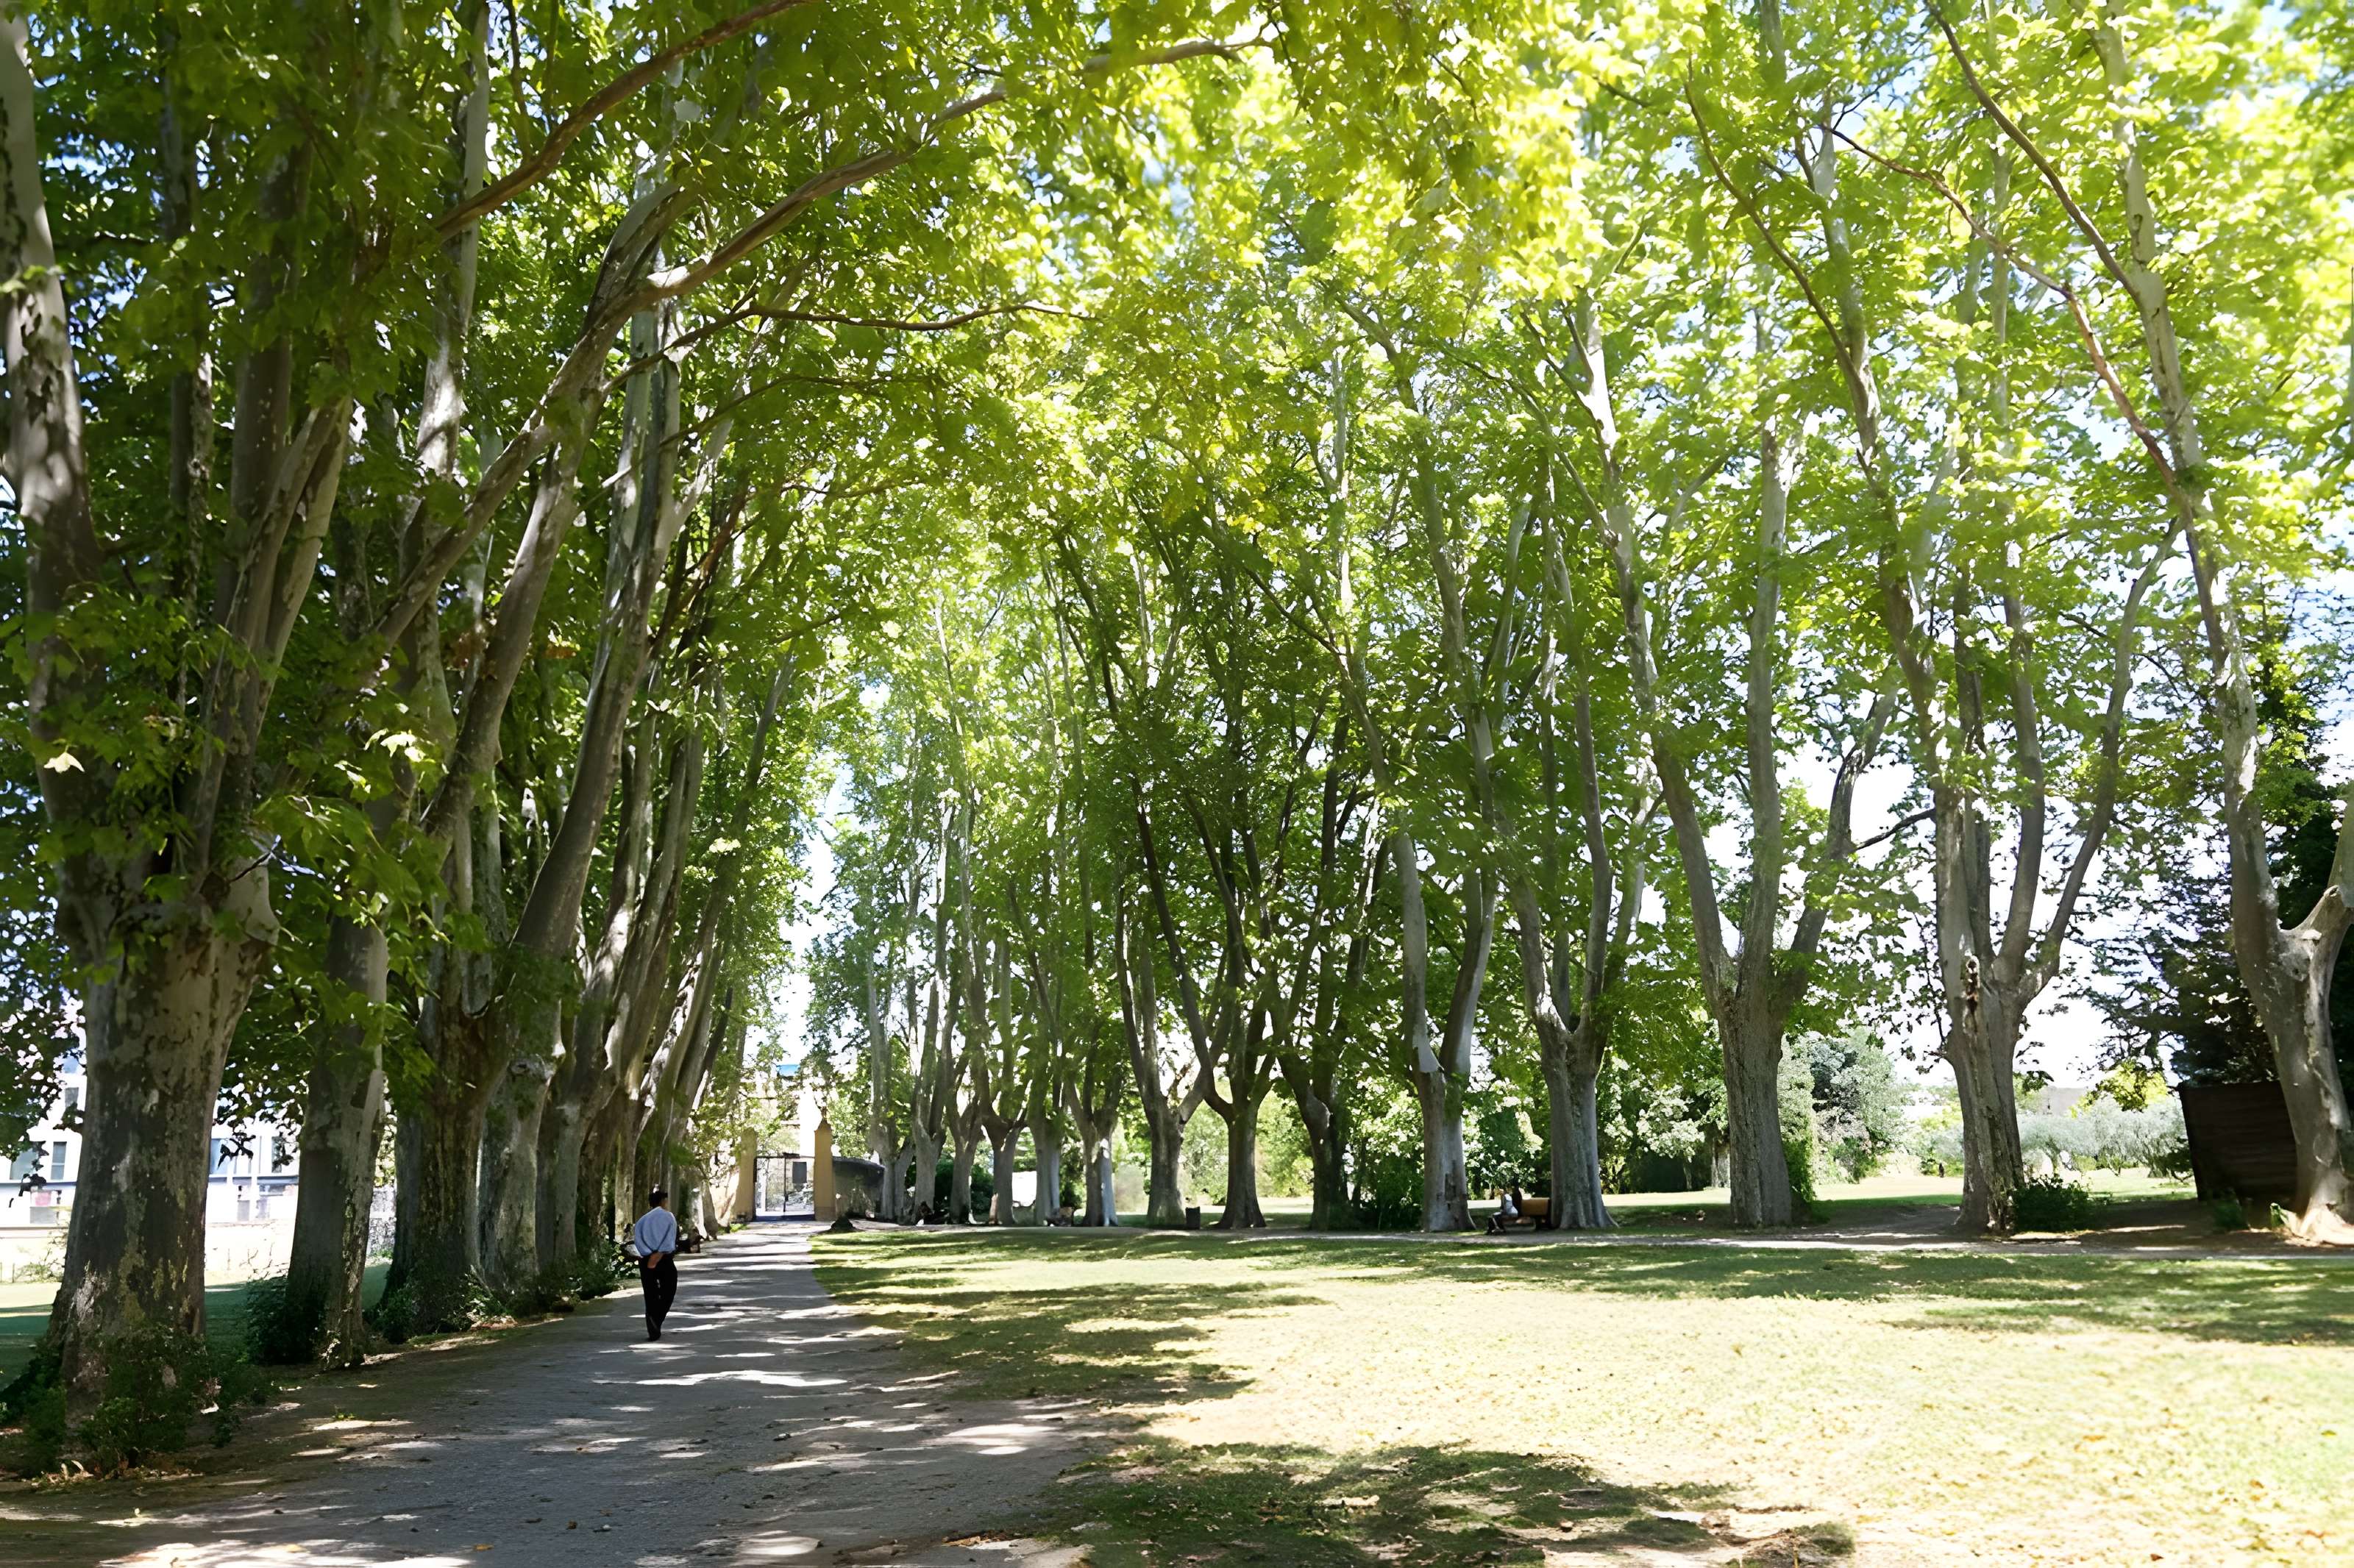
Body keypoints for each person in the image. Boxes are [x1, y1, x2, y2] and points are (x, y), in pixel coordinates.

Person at [633, 1189, 680, 1341]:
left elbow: (638, 1241)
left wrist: (648, 1254)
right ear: (662, 1202)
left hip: (645, 1259)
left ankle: (653, 1324)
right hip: (664, 1258)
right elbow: (670, 1238)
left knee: (650, 1293)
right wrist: (659, 1254)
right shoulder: (669, 1217)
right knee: (669, 1289)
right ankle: (656, 1320)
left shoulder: (641, 1221)